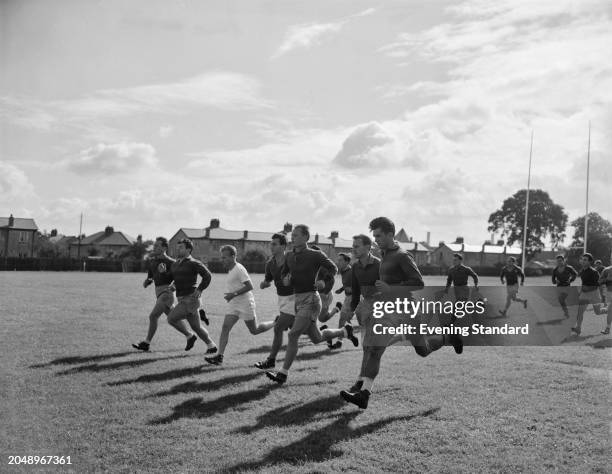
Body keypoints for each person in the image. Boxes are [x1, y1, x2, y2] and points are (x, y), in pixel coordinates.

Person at [340, 217, 463, 409]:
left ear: (390, 234)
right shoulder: (384, 254)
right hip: (389, 310)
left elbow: (418, 282)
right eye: (374, 236)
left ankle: (448, 338)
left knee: (421, 350)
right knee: (374, 349)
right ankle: (364, 392)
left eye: (379, 235)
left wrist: (391, 288)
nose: (376, 239)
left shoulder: (402, 255)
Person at [265, 224, 358, 385]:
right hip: (298, 300)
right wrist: (286, 279)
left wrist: (323, 281)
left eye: (296, 235)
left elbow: (333, 268)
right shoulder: (289, 256)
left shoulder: (315, 255)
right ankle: (345, 331)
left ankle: (283, 374)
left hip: (312, 300)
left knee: (293, 334)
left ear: (306, 238)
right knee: (316, 338)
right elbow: (284, 273)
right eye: (292, 235)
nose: (292, 238)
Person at [205, 245, 276, 366]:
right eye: (222, 258)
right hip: (234, 305)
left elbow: (250, 286)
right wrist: (232, 296)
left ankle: (276, 322)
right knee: (225, 327)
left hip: (245, 304)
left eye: (225, 257)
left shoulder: (239, 269)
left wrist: (233, 294)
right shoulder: (231, 269)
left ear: (233, 257)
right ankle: (219, 356)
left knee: (254, 330)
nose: (223, 260)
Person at [132, 237, 195, 352]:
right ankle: (190, 335)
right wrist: (148, 281)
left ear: (165, 248)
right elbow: (151, 275)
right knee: (172, 319)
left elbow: (177, 278)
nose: (155, 247)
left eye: (157, 246)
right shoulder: (152, 261)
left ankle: (146, 343)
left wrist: (165, 274)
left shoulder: (172, 262)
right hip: (159, 293)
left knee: (153, 316)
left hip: (167, 294)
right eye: (154, 245)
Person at [340, 234, 380, 395]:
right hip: (364, 309)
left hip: (381, 309)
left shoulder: (379, 265)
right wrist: (351, 310)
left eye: (357, 246)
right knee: (367, 348)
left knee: (371, 347)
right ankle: (361, 380)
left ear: (368, 247)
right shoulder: (356, 267)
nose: (353, 249)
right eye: (353, 245)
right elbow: (356, 293)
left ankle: (361, 382)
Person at [166, 238, 217, 354]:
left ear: (188, 249)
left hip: (191, 299)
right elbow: (178, 279)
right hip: (182, 299)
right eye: (177, 247)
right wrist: (173, 286)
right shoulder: (176, 264)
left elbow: (208, 275)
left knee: (171, 318)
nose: (178, 249)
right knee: (196, 327)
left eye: (181, 247)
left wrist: (200, 288)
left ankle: (190, 336)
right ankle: (212, 346)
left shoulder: (194, 262)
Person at [254, 233, 295, 370]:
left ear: (283, 246)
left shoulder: (292, 258)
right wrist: (264, 284)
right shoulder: (270, 263)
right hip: (282, 299)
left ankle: (271, 360)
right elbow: (268, 280)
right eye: (271, 243)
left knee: (278, 328)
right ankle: (343, 332)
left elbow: (303, 273)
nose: (271, 246)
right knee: (314, 336)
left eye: (275, 244)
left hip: (295, 298)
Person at [321, 253, 355, 349]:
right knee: (343, 319)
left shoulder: (352, 272)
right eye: (338, 259)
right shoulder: (344, 271)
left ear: (347, 262)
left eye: (340, 260)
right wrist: (341, 289)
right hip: (349, 298)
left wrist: (352, 290)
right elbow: (347, 283)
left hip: (356, 298)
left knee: (347, 319)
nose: (338, 262)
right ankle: (341, 341)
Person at [571, 253, 605, 336]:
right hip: (585, 294)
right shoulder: (582, 271)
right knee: (579, 312)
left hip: (594, 294)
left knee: (598, 312)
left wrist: (587, 288)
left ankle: (609, 310)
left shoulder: (594, 272)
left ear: (590, 262)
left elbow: (598, 284)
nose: (582, 261)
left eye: (585, 260)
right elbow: (584, 283)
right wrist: (581, 291)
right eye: (582, 259)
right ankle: (578, 328)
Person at [598, 265, 612, 335]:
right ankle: (608, 328)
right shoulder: (606, 270)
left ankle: (608, 328)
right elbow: (599, 281)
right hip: (610, 292)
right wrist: (607, 279)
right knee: (610, 310)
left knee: (610, 310)